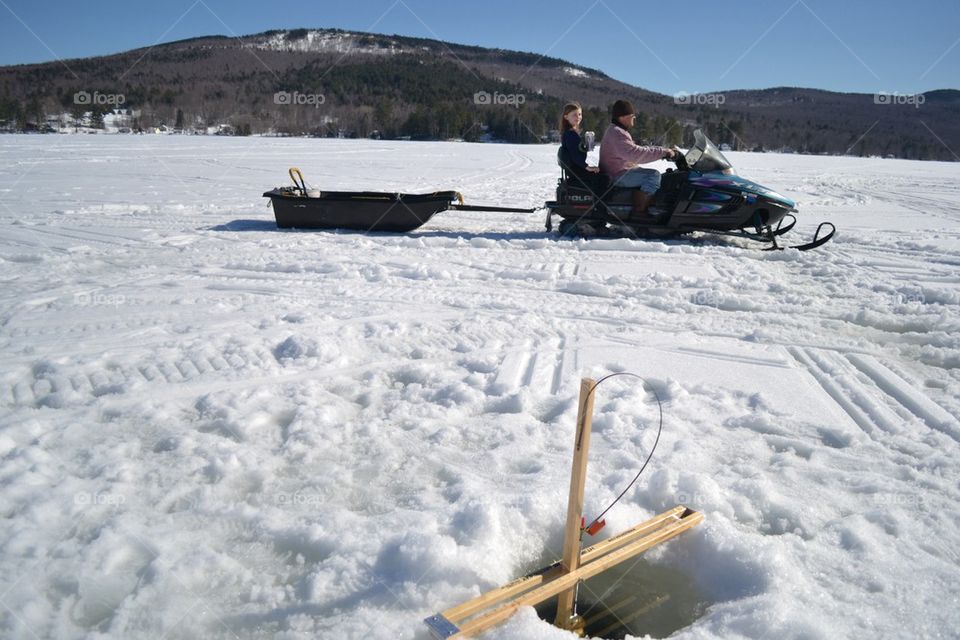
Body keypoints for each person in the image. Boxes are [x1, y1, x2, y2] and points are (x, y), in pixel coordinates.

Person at [598, 99, 676, 217]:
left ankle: (644, 205)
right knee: (653, 176)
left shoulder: (616, 130)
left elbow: (635, 149)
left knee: (649, 174)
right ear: (623, 117)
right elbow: (636, 154)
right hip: (617, 174)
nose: (634, 118)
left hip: (617, 171)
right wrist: (663, 152)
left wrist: (663, 150)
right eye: (632, 116)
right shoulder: (617, 133)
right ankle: (639, 213)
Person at [559, 102, 599, 175]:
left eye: (579, 114)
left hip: (576, 169)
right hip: (576, 171)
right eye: (574, 115)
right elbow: (575, 155)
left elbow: (575, 150)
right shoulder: (570, 134)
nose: (578, 117)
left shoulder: (570, 133)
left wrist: (585, 147)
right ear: (566, 117)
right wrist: (587, 167)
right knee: (605, 178)